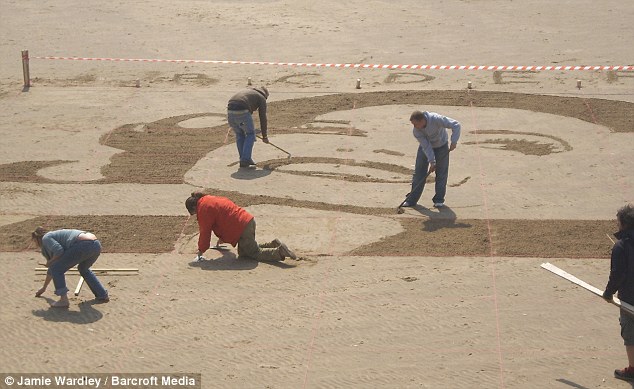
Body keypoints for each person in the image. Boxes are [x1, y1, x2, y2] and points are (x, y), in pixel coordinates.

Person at [185, 192, 296, 262]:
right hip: (247, 221)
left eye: (194, 213)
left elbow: (205, 232)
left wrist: (200, 253)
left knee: (253, 253)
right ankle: (273, 244)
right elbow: (224, 216)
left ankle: (279, 252)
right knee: (244, 253)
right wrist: (222, 238)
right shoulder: (208, 199)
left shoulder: (203, 209)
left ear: (194, 207)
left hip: (242, 227)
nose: (196, 215)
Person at [32, 227, 109, 308]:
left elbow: (59, 251)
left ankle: (63, 300)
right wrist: (44, 288)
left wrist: (50, 262)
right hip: (96, 244)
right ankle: (102, 294)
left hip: (84, 244)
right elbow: (52, 269)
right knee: (83, 269)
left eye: (34, 241)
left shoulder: (46, 238)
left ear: (37, 238)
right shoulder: (52, 238)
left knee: (57, 269)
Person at [402, 110, 461, 209]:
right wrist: (432, 161)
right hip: (425, 149)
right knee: (419, 173)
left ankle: (439, 200)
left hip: (442, 147)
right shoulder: (416, 131)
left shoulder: (436, 119)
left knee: (441, 173)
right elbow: (426, 147)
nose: (414, 127)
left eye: (416, 124)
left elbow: (456, 125)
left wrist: (454, 141)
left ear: (422, 121)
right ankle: (411, 200)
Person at [603, 204, 634, 382]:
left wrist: (608, 293)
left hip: (630, 298)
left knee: (630, 334)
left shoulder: (621, 247)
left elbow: (617, 274)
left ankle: (632, 369)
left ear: (623, 224)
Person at [227, 86, 270, 168]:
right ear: (265, 95)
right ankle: (245, 159)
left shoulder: (249, 92)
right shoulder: (261, 98)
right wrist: (265, 136)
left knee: (240, 134)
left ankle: (243, 158)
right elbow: (263, 117)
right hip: (242, 111)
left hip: (230, 112)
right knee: (250, 134)